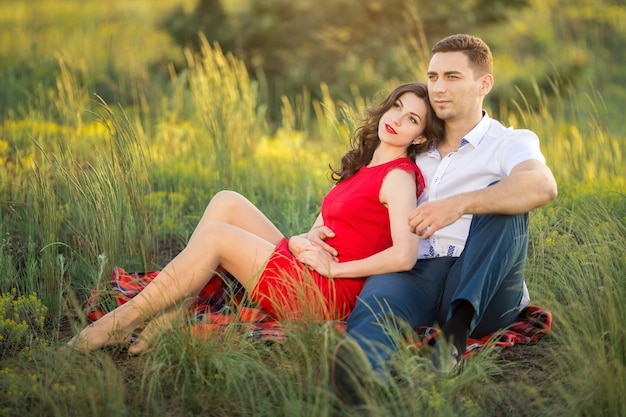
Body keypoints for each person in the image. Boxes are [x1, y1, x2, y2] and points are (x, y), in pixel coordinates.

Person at [67, 82, 445, 353]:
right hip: (309, 267)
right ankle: (174, 312)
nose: (397, 118)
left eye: (412, 118)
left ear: (419, 138)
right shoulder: (365, 166)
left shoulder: (397, 177)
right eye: (397, 106)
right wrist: (300, 240)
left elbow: (404, 255)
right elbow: (321, 227)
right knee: (227, 201)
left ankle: (118, 323)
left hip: (322, 292)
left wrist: (333, 272)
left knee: (216, 236)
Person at [328, 34, 558, 406]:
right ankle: (364, 377)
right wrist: (316, 231)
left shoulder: (509, 142)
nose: (438, 87)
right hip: (416, 270)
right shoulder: (415, 143)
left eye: (452, 77)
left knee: (506, 201)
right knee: (377, 304)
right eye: (433, 76)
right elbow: (364, 191)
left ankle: (456, 333)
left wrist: (459, 205)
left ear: (483, 84)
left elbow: (542, 186)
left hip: (483, 283)